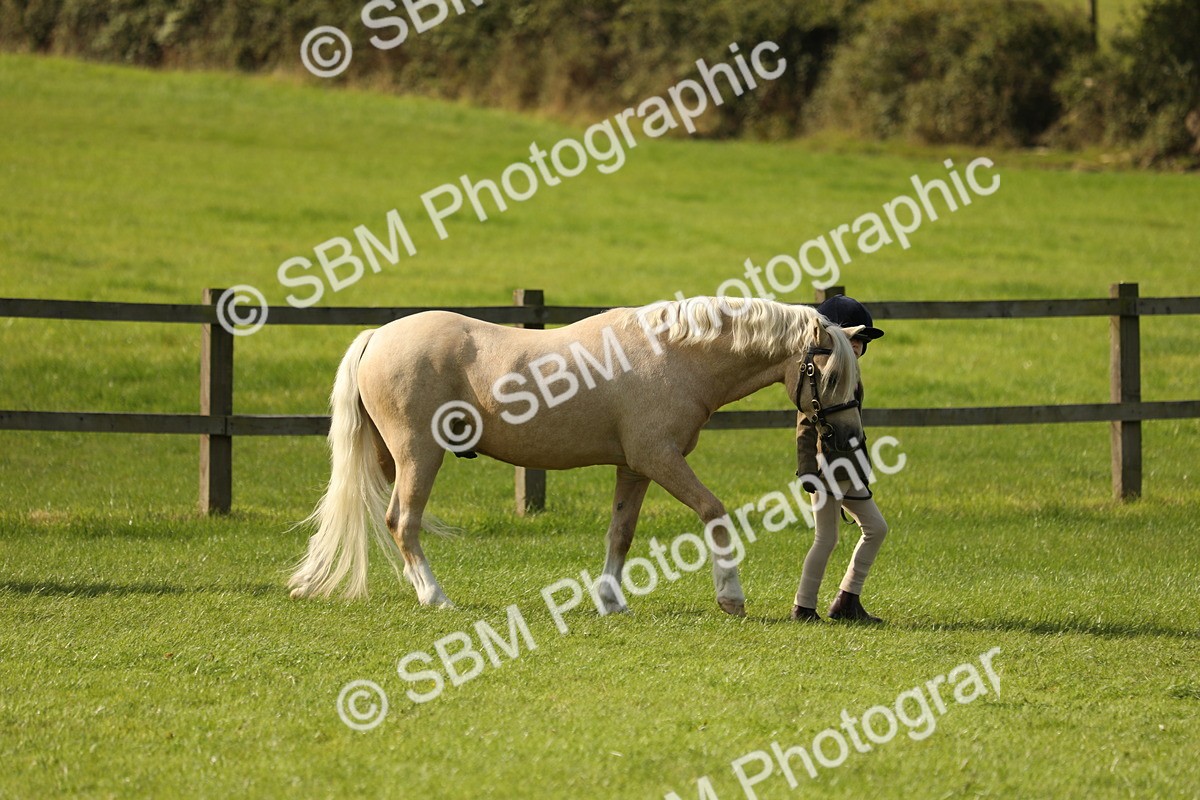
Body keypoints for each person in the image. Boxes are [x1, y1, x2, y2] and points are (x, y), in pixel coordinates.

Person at [792, 295, 890, 624]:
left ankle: (845, 600)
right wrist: (807, 469)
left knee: (872, 529)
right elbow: (806, 423)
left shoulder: (849, 370)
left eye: (862, 341)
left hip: (849, 469)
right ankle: (806, 606)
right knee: (829, 538)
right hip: (827, 468)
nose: (860, 346)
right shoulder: (822, 374)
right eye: (855, 339)